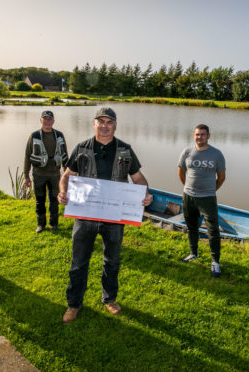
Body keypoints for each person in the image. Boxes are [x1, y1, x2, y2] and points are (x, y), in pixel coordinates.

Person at [57, 107, 153, 324]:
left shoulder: (125, 150)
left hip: (114, 218)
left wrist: (145, 194)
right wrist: (63, 191)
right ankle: (74, 304)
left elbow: (138, 178)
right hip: (85, 216)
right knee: (79, 262)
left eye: (109, 122)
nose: (104, 125)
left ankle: (109, 298)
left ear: (115, 125)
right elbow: (66, 176)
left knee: (112, 261)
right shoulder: (81, 148)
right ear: (94, 124)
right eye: (100, 121)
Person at [177, 124, 226, 277]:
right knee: (191, 227)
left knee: (213, 230)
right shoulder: (187, 152)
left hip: (208, 198)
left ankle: (215, 262)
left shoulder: (217, 154)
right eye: (197, 134)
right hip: (189, 197)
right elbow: (181, 172)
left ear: (208, 136)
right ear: (194, 136)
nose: (200, 137)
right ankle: (193, 253)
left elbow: (221, 177)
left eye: (203, 134)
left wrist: (210, 190)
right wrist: (189, 188)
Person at [23, 110, 68, 233]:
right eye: (45, 119)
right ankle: (40, 224)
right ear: (41, 120)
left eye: (49, 119)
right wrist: (26, 176)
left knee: (54, 200)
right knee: (40, 201)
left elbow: (64, 154)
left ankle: (54, 224)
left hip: (55, 175)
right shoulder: (34, 136)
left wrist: (67, 172)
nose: (47, 121)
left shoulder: (59, 135)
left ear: (53, 121)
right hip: (38, 175)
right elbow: (27, 156)